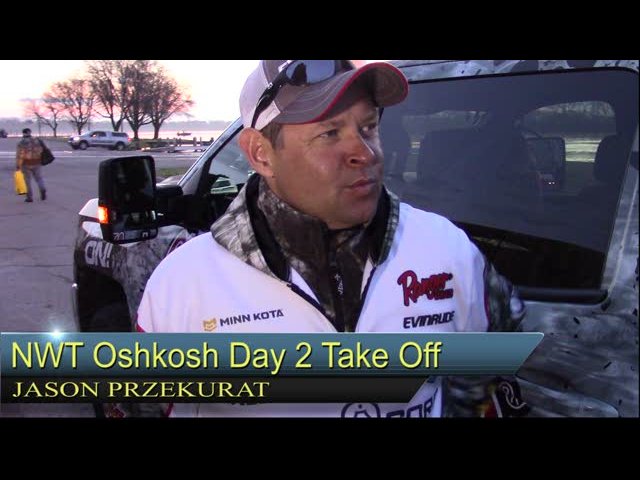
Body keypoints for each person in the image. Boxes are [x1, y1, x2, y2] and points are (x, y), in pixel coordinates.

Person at [136, 60, 527, 417]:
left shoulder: (447, 248)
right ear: (260, 154)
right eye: (329, 133)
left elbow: (489, 376)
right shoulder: (184, 284)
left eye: (368, 127)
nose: (364, 153)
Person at [15, 128, 47, 202]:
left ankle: (29, 197)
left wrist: (18, 164)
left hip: (26, 163)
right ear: (30, 132)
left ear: (23, 133)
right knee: (39, 178)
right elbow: (42, 150)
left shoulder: (21, 142)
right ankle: (42, 188)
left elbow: (19, 154)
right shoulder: (37, 141)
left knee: (27, 181)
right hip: (37, 162)